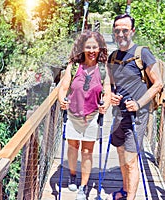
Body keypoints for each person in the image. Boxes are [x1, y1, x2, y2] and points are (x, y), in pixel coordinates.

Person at [106, 14, 163, 200]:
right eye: (117, 30)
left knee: (131, 160)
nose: (120, 33)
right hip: (119, 113)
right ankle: (124, 190)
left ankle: (130, 197)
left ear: (132, 31)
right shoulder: (113, 57)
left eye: (124, 30)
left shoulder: (142, 53)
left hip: (137, 115)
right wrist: (112, 96)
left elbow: (158, 84)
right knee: (122, 154)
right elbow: (112, 84)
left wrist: (138, 103)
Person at [58, 30, 111, 200]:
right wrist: (62, 100)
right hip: (73, 115)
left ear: (100, 49)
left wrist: (106, 105)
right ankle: (73, 175)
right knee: (73, 148)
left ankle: (83, 186)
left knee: (87, 151)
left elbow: (108, 92)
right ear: (82, 48)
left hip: (92, 115)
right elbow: (64, 87)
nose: (91, 51)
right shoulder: (73, 66)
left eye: (95, 47)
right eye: (88, 47)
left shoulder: (103, 69)